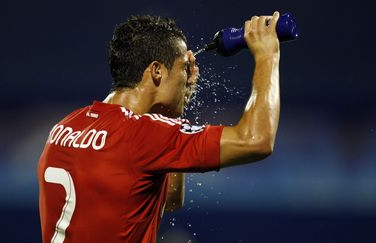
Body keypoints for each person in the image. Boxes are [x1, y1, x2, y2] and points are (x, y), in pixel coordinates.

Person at [38, 11, 281, 243]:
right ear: (157, 71)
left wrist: (172, 108)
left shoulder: (65, 127)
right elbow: (256, 140)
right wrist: (267, 56)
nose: (188, 76)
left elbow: (169, 199)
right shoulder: (143, 135)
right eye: (183, 69)